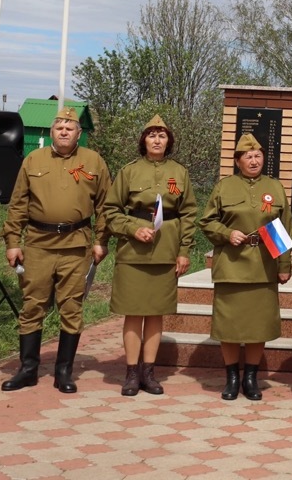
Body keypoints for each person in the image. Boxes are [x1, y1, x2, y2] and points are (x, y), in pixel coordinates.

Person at [2, 106, 109, 394]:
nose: (64, 131)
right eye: (59, 127)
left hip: (76, 245)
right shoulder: (33, 159)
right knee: (32, 306)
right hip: (38, 244)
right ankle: (27, 369)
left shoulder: (93, 161)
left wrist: (101, 240)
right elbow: (18, 204)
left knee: (71, 308)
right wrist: (12, 242)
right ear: (52, 132)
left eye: (69, 128)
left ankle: (63, 372)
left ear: (78, 133)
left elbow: (105, 206)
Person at [101, 115, 196, 397]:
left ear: (169, 141)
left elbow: (189, 213)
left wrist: (184, 251)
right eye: (151, 135)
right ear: (143, 140)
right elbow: (110, 210)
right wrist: (133, 228)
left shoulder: (179, 172)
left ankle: (149, 372)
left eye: (162, 135)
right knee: (133, 311)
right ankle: (132, 373)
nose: (157, 140)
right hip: (133, 252)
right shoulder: (129, 171)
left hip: (166, 250)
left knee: (155, 312)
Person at [199, 133, 292, 401]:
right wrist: (227, 233)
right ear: (237, 161)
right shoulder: (224, 187)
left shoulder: (274, 187)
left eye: (258, 156)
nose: (254, 161)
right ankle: (231, 378)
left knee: (257, 325)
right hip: (232, 265)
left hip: (264, 265)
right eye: (248, 157)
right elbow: (207, 222)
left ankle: (251, 378)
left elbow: (286, 228)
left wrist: (284, 264)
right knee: (229, 325)